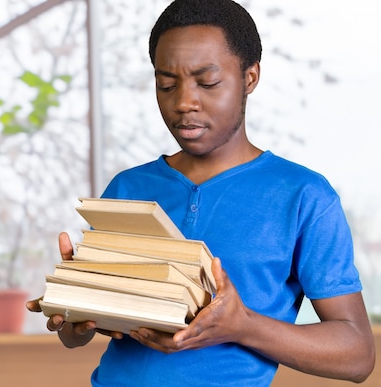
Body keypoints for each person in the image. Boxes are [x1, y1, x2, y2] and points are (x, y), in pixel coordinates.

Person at [27, 0, 376, 385]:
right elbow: (80, 334)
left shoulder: (304, 197)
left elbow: (357, 355)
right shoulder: (127, 188)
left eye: (207, 82)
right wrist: (76, 314)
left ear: (250, 77)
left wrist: (242, 326)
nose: (183, 103)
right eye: (166, 84)